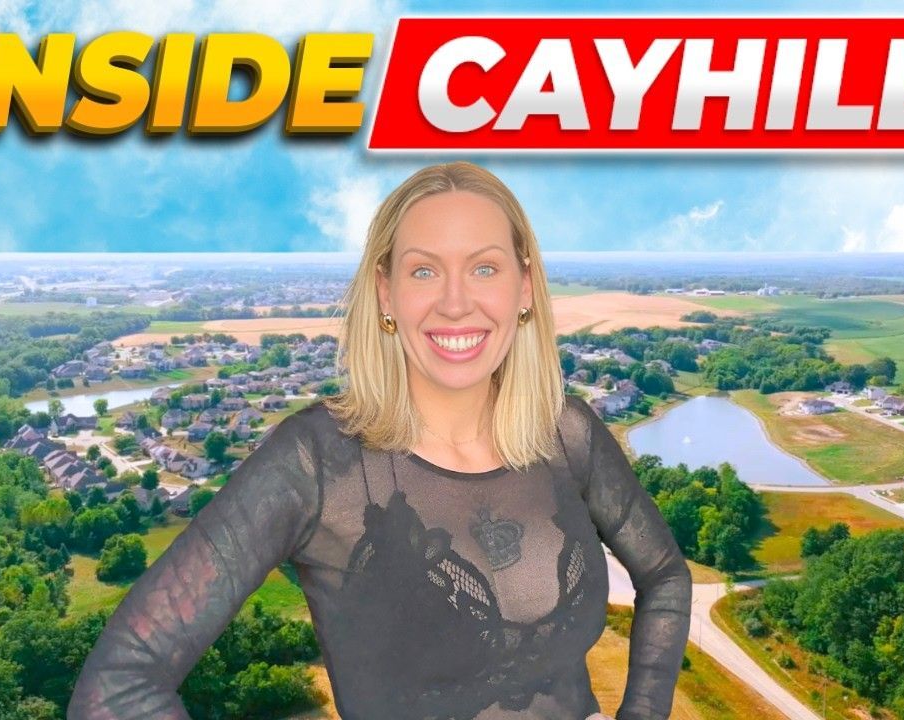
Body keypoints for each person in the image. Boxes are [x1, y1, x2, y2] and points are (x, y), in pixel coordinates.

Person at [67, 161, 692, 720]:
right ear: (386, 292)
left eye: (484, 267)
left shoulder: (566, 434)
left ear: (524, 288)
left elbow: (664, 575)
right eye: (425, 270)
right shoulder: (318, 464)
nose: (455, 303)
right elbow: (119, 687)